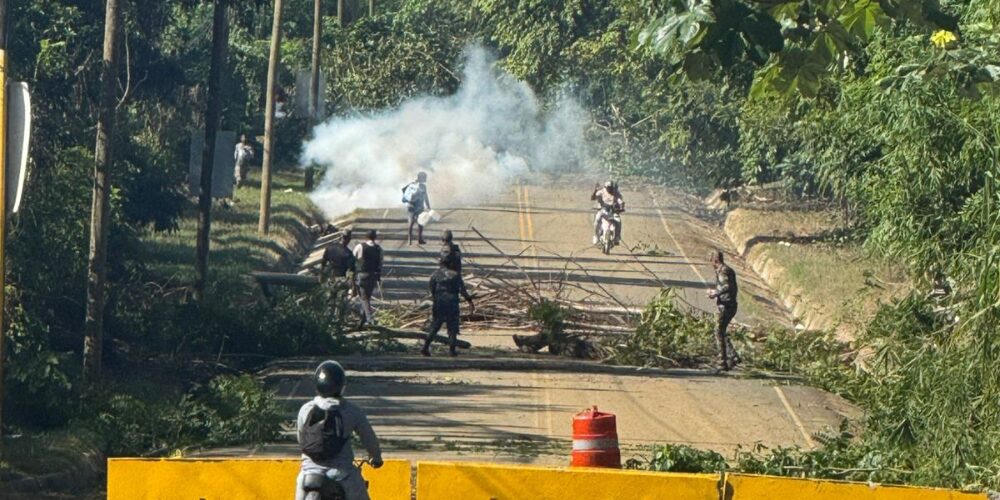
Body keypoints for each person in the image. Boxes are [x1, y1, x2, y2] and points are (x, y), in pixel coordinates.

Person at [295, 360, 383, 500]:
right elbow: (368, 439)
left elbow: (301, 440)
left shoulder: (305, 409)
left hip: (308, 475)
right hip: (342, 475)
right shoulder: (351, 411)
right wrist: (376, 458)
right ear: (342, 386)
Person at [421, 257, 475, 357]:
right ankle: (452, 350)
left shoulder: (435, 275)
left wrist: (436, 298)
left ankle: (425, 347)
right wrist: (470, 301)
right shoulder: (456, 275)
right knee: (452, 327)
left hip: (440, 302)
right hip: (452, 302)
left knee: (435, 326)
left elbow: (431, 290)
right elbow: (463, 291)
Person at [707, 250, 739, 370]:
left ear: (715, 260)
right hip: (729, 305)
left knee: (718, 331)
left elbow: (727, 286)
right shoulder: (725, 270)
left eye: (711, 261)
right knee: (723, 331)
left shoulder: (723, 271)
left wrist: (716, 294)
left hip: (727, 306)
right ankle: (732, 355)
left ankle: (722, 361)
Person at [353, 230, 383, 326]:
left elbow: (353, 258)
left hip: (362, 275)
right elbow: (380, 264)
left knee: (364, 299)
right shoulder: (379, 249)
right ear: (375, 238)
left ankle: (370, 320)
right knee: (367, 298)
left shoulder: (360, 246)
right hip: (373, 276)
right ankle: (362, 320)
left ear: (365, 237)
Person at [591, 180, 624, 246]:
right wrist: (595, 190)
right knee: (597, 220)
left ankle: (617, 238)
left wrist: (621, 207)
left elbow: (620, 201)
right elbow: (593, 198)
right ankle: (596, 237)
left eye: (611, 188)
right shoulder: (601, 192)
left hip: (613, 212)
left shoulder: (616, 193)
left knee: (618, 221)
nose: (610, 189)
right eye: (609, 188)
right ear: (606, 187)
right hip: (602, 210)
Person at [402, 172, 431, 245]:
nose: (426, 179)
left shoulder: (412, 184)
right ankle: (419, 239)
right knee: (420, 223)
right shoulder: (423, 186)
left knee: (411, 223)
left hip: (410, 205)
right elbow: (425, 197)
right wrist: (428, 206)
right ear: (421, 178)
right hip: (419, 206)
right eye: (425, 177)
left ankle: (409, 240)